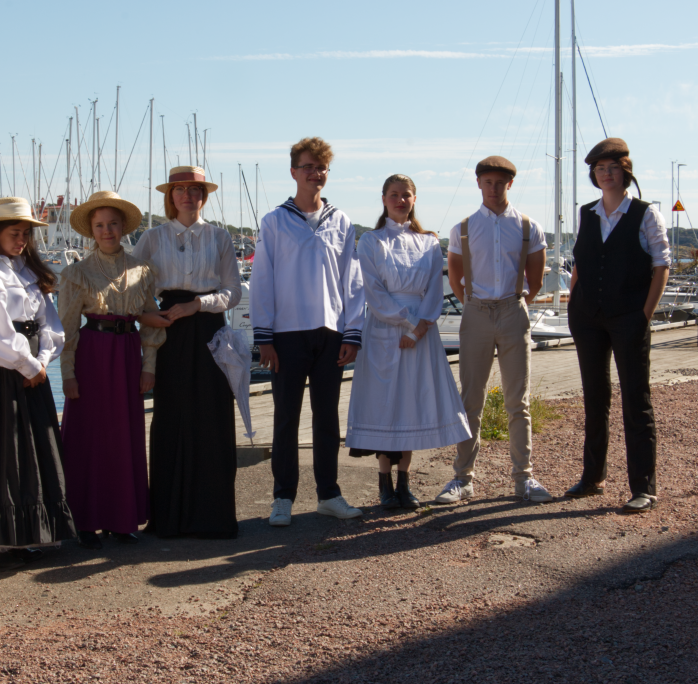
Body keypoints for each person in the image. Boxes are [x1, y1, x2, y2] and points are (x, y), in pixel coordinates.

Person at [250, 137, 366, 526]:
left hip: (331, 332)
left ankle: (328, 494)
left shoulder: (342, 221)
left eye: (321, 168)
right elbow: (262, 280)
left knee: (327, 417)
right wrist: (263, 337)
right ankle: (283, 496)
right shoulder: (274, 221)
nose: (315, 173)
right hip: (286, 334)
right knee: (285, 416)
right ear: (293, 172)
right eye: (307, 167)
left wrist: (353, 333)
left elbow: (352, 281)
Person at [346, 175, 471, 509]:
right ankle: (384, 483)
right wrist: (406, 321)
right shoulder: (371, 241)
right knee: (385, 402)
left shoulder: (429, 242)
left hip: (421, 334)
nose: (400, 200)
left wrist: (418, 329)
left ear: (414, 199)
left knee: (411, 403)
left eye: (406, 195)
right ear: (384, 198)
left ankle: (405, 482)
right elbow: (374, 290)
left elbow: (434, 289)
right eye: (394, 195)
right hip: (385, 331)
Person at [0, 197, 76, 569]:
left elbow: (51, 323)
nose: (22, 240)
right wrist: (29, 365)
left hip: (31, 371)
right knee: (3, 450)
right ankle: (0, 538)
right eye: (15, 233)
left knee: (33, 449)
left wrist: (42, 360)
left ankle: (29, 533)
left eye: (26, 233)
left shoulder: (27, 270)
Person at [437, 156, 552, 505]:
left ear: (509, 184)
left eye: (499, 182)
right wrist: (472, 303)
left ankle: (524, 477)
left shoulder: (528, 226)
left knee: (519, 399)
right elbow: (455, 275)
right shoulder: (464, 228)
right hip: (477, 314)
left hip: (512, 311)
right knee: (470, 398)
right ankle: (462, 478)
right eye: (487, 182)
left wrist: (518, 304)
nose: (493, 188)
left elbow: (536, 277)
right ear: (478, 184)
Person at [133, 166, 241, 539]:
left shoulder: (220, 237)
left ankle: (212, 517)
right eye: (180, 189)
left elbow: (233, 291)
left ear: (203, 195)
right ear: (170, 196)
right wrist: (150, 317)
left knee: (211, 417)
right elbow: (135, 289)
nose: (187, 196)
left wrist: (200, 305)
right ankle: (169, 516)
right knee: (171, 416)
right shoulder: (151, 238)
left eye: (194, 189)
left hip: (209, 328)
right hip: (168, 331)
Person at [564, 138, 670, 513]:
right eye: (599, 169)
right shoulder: (586, 213)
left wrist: (645, 314)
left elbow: (661, 265)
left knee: (636, 400)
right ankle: (593, 477)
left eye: (612, 168)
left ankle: (644, 486)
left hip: (629, 316)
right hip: (587, 317)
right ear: (594, 175)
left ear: (625, 172)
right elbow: (580, 262)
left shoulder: (645, 214)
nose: (606, 174)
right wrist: (572, 304)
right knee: (594, 397)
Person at [59, 191, 165, 549]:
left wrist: (148, 366)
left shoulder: (142, 269)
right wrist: (68, 374)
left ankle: (122, 519)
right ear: (91, 229)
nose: (107, 231)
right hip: (91, 354)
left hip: (127, 353)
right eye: (100, 225)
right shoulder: (76, 273)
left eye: (113, 224)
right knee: (87, 437)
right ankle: (86, 521)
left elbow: (151, 323)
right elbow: (67, 329)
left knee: (124, 435)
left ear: (123, 227)